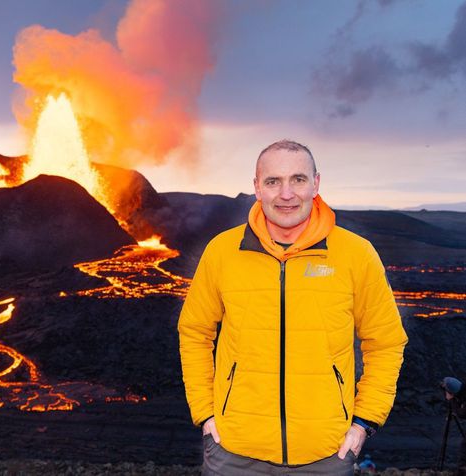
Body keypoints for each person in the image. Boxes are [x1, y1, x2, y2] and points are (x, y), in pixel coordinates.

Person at [178, 140, 408, 475]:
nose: (286, 194)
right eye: (273, 181)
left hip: (326, 453)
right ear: (257, 188)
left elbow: (386, 341)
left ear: (316, 183)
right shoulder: (222, 252)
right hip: (233, 451)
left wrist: (363, 423)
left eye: (298, 179)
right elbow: (194, 331)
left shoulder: (356, 255)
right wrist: (205, 413)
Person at [442, 377, 466, 472]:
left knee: (464, 446)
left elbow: (462, 414)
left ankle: (462, 469)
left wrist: (452, 400)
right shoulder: (463, 389)